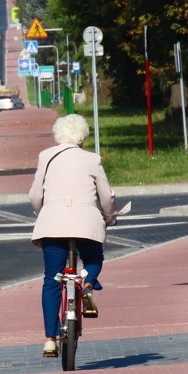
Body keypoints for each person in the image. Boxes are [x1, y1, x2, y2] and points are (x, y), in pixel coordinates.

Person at [28, 114, 116, 357]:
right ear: (83, 136)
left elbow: (35, 195)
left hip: (53, 224)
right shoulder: (92, 159)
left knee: (51, 280)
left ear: (58, 135)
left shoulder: (46, 156)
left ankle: (49, 339)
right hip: (85, 225)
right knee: (94, 259)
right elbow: (106, 197)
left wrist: (42, 212)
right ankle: (87, 283)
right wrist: (109, 217)